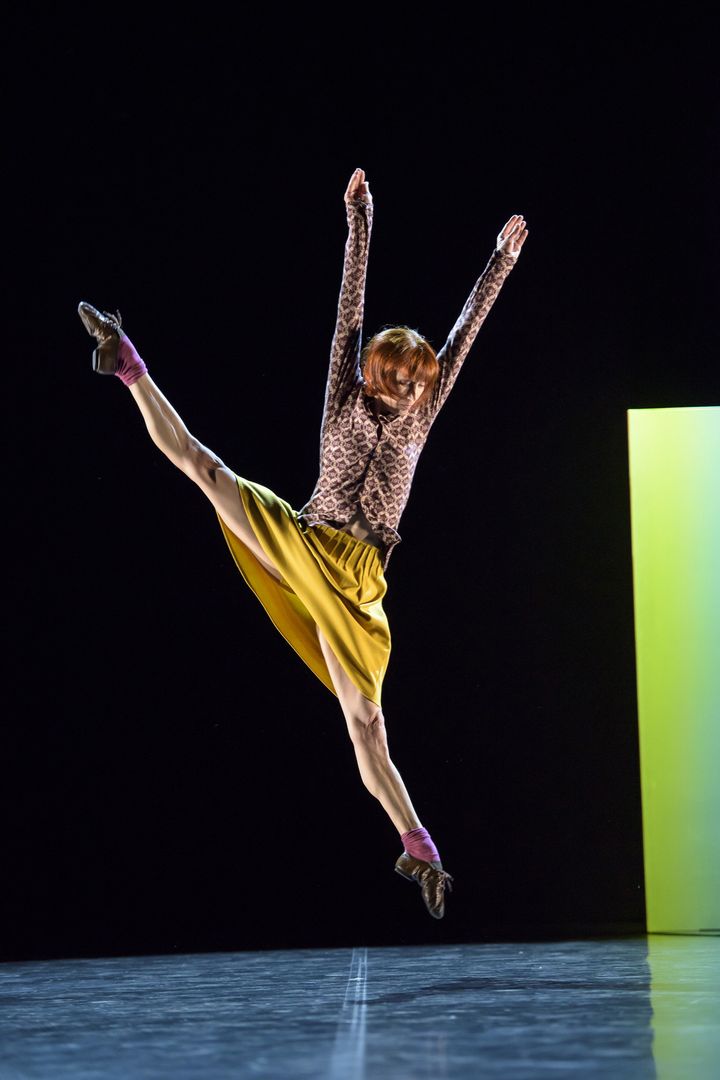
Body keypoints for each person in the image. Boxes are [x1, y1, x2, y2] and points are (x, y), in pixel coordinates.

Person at [78, 167, 527, 919]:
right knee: (208, 470)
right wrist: (361, 220)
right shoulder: (344, 389)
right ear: (375, 373)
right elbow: (349, 308)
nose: (408, 392)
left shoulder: (425, 409)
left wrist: (500, 262)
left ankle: (418, 846)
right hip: (304, 538)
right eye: (397, 380)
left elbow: (464, 332)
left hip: (359, 586)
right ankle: (129, 364)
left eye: (418, 385)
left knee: (366, 722)